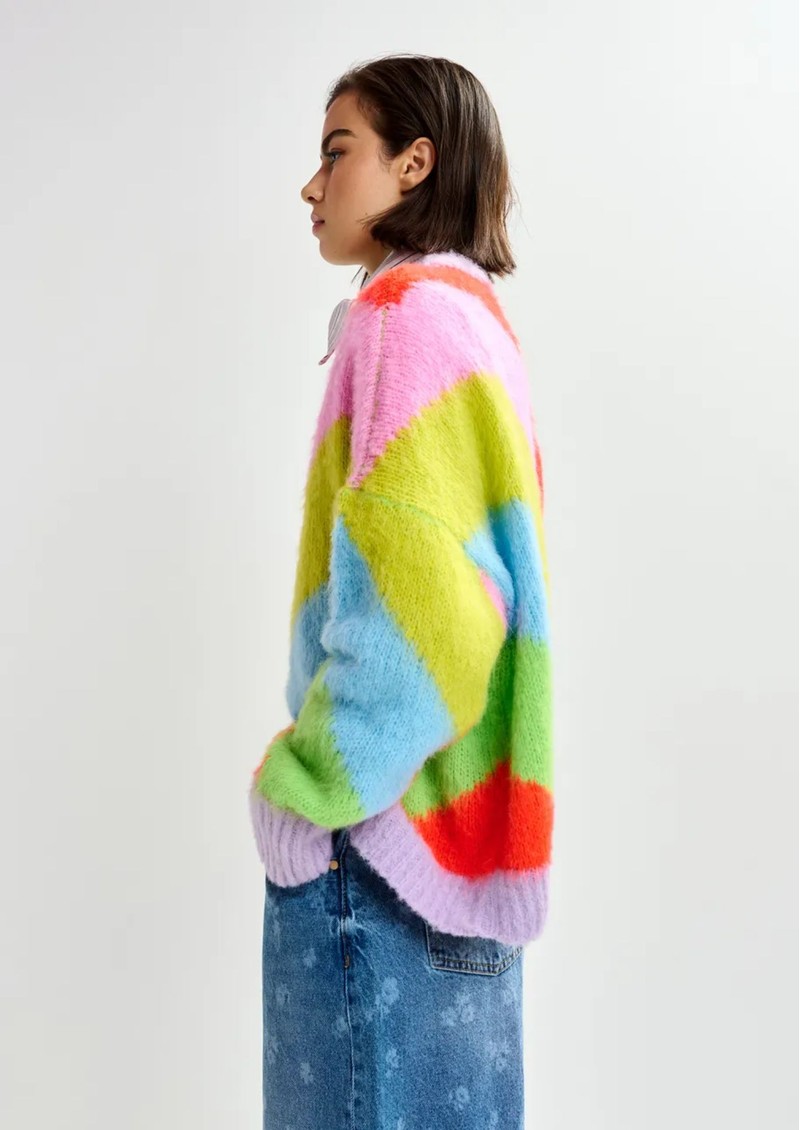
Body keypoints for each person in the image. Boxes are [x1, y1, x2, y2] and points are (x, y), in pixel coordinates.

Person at [249, 53, 554, 1130]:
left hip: (379, 862)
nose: (313, 184)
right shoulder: (475, 327)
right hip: (454, 865)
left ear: (414, 163)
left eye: (338, 152)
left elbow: (432, 613)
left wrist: (309, 792)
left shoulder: (401, 317)